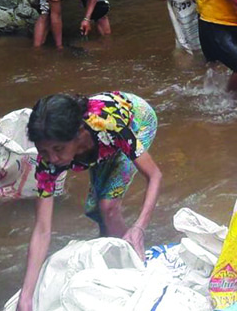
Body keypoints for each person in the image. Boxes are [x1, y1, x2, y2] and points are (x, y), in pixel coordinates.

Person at [17, 91, 161, 311]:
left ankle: (134, 264)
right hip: (96, 146)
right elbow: (42, 229)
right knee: (96, 210)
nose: (53, 159)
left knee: (108, 206)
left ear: (78, 134)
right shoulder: (48, 162)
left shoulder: (111, 127)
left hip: (137, 120)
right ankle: (116, 253)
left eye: (58, 149)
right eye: (44, 151)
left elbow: (154, 176)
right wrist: (26, 297)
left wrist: (139, 226)